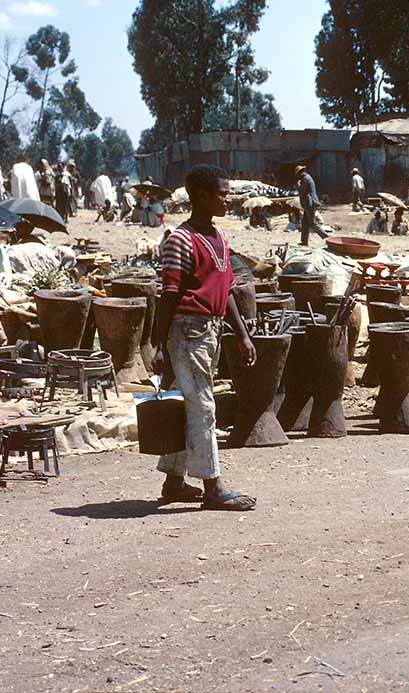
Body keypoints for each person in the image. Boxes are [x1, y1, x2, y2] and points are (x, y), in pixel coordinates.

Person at [154, 163, 256, 511]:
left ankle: (174, 481)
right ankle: (213, 486)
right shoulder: (180, 239)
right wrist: (159, 345)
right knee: (202, 406)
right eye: (223, 195)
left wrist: (242, 335)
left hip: (209, 329)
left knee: (188, 404)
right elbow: (169, 295)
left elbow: (226, 290)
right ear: (202, 196)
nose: (228, 200)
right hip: (187, 329)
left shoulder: (219, 237)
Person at [297, 164, 327, 245]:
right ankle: (304, 241)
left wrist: (298, 185)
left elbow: (302, 190)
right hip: (308, 204)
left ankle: (326, 236)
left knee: (312, 223)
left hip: (310, 203)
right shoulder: (306, 178)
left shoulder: (305, 179)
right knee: (304, 223)